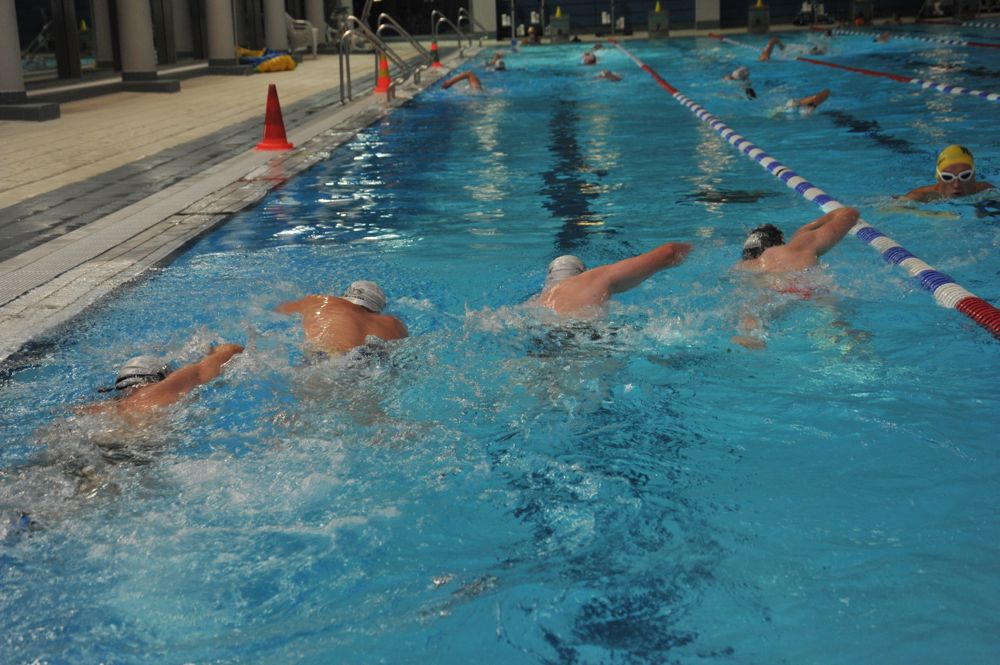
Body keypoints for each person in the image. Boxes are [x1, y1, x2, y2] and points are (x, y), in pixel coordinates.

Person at [732, 207, 860, 348]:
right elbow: (849, 214)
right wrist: (806, 229)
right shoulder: (796, 247)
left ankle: (751, 335)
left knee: (750, 312)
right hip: (809, 292)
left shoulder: (741, 267)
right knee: (838, 332)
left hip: (774, 295)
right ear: (780, 243)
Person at [536, 242, 692, 317]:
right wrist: (699, 248)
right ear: (582, 272)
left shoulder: (535, 303)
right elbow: (669, 253)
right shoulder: (590, 280)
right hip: (585, 339)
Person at [86, 344, 244, 414]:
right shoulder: (162, 390)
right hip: (129, 455)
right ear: (163, 378)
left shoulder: (104, 408)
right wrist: (211, 350)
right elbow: (232, 350)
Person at [276, 281, 408, 357]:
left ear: (345, 297)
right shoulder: (392, 324)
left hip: (319, 358)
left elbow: (278, 310)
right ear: (377, 310)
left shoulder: (318, 301)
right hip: (358, 363)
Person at [902, 145, 995, 202]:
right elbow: (891, 208)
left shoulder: (985, 191)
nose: (956, 185)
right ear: (938, 178)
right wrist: (934, 214)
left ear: (974, 176)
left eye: (965, 176)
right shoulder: (922, 196)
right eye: (947, 177)